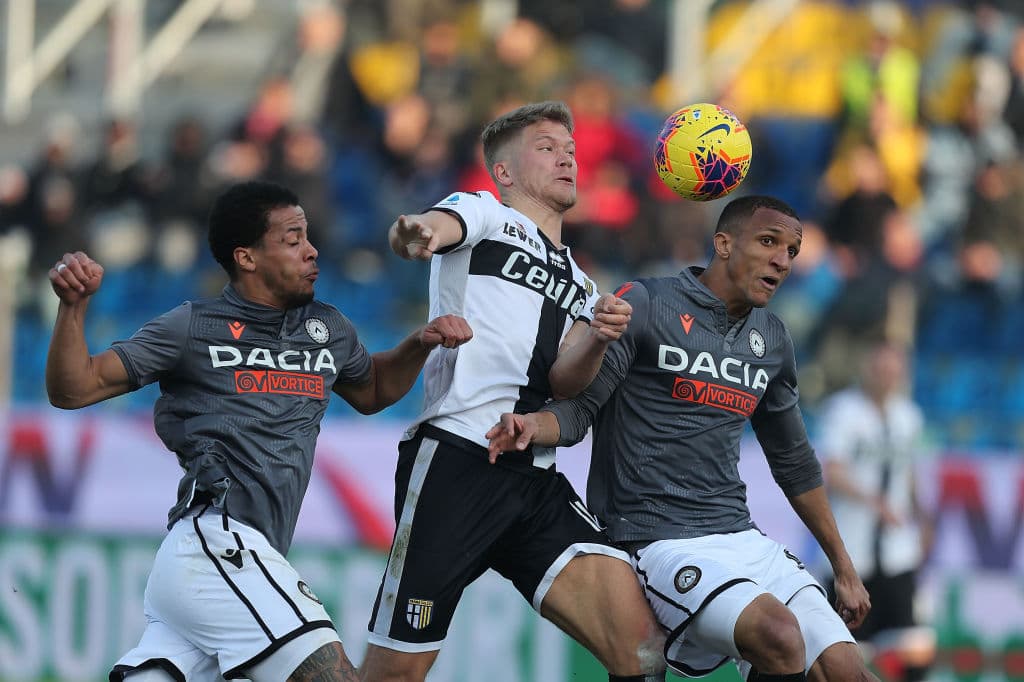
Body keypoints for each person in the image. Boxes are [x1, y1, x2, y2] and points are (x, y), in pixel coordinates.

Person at [44, 180, 472, 682]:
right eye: (292, 239)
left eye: (307, 236)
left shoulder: (327, 329)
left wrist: (419, 343)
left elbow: (373, 389)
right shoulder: (193, 327)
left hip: (229, 563)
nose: (312, 250)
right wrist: (73, 307)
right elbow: (74, 388)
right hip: (216, 543)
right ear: (246, 258)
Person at [487, 195, 879, 681]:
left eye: (792, 251)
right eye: (768, 241)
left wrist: (843, 567)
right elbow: (581, 409)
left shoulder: (773, 339)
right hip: (659, 539)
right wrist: (533, 425)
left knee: (846, 671)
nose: (782, 260)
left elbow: (794, 462)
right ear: (724, 244)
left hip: (740, 535)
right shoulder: (648, 303)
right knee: (779, 635)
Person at [364, 101, 666, 682]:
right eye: (547, 148)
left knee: (641, 646)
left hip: (534, 475)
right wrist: (414, 233)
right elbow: (432, 227)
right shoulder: (484, 214)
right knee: (396, 671)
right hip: (457, 459)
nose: (567, 158)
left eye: (570, 150)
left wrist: (598, 337)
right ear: (503, 172)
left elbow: (565, 382)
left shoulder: (584, 284)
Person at [819, 341, 935, 681]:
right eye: (881, 369)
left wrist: (922, 516)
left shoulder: (908, 416)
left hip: (897, 551)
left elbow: (908, 472)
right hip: (851, 552)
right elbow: (833, 472)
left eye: (893, 371)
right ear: (867, 369)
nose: (886, 377)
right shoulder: (843, 411)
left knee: (914, 648)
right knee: (848, 652)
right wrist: (875, 502)